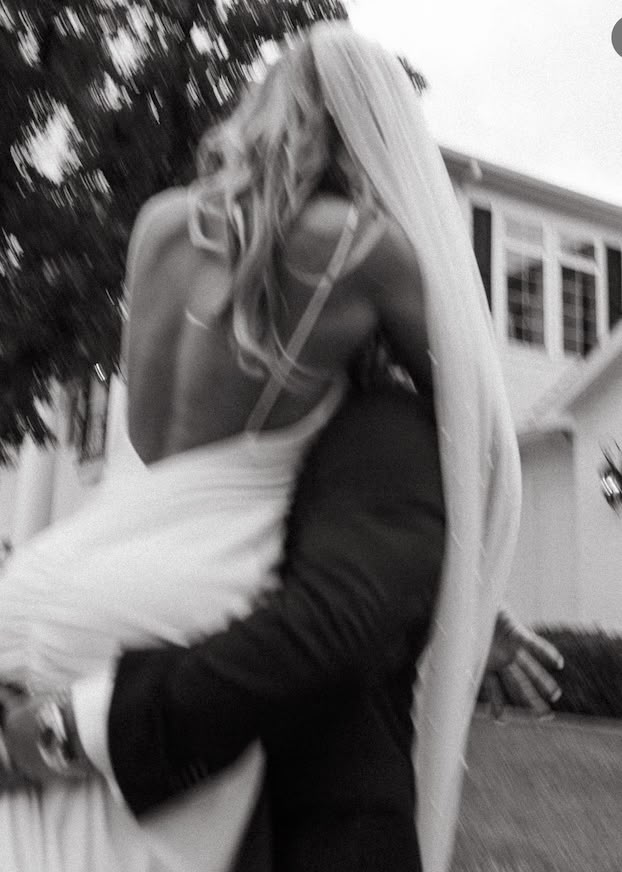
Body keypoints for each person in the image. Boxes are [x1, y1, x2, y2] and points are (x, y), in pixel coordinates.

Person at [0, 21, 523, 872]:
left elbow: (139, 433)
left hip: (54, 580)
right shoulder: (363, 248)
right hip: (183, 601)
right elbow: (476, 417)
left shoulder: (161, 225)